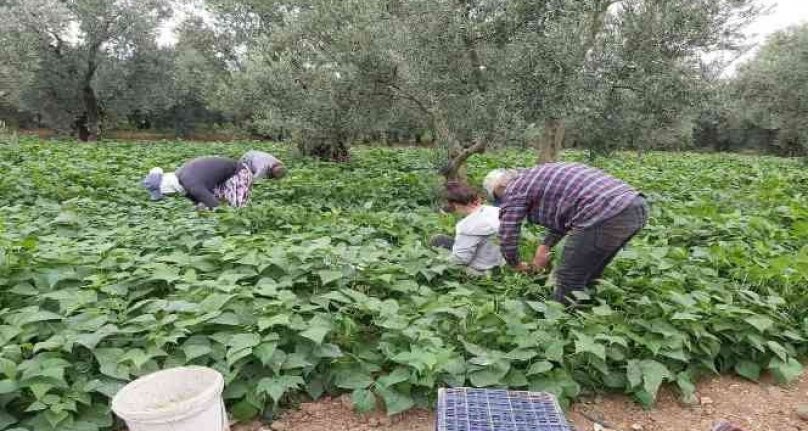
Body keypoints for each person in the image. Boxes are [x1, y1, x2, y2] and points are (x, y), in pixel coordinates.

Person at [483, 163, 648, 305]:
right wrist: (545, 246)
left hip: (604, 213)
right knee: (589, 271)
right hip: (635, 206)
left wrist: (515, 264)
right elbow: (566, 213)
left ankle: (561, 326)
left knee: (567, 278)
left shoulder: (514, 189)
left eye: (500, 198)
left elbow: (508, 233)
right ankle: (587, 310)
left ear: (499, 188)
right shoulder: (536, 174)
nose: (504, 202)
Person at [431, 182, 504, 275]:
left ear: (455, 204)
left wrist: (439, 259)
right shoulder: (496, 211)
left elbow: (460, 260)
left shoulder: (466, 226)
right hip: (499, 263)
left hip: (479, 271)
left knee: (436, 240)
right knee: (442, 239)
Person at [142, 156, 254, 210]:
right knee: (216, 202)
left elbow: (216, 207)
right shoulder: (181, 179)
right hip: (220, 178)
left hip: (238, 173)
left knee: (237, 209)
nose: (168, 196)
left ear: (167, 188)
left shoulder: (192, 184)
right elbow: (198, 201)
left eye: (165, 194)